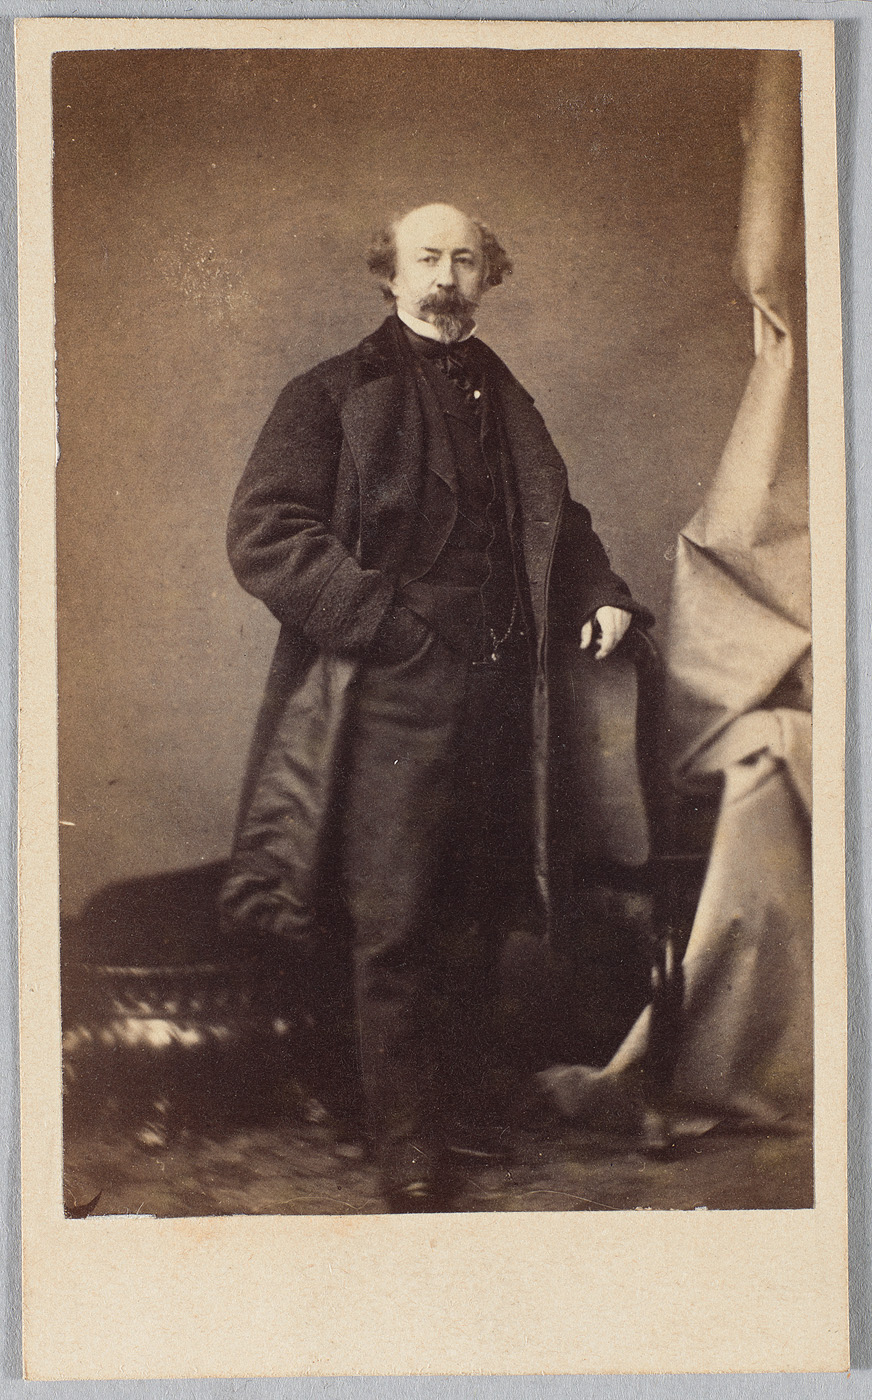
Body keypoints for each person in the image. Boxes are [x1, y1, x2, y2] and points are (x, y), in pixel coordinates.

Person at [221, 203, 651, 1211]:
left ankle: (453, 1107)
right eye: (427, 257)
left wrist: (599, 593)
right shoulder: (331, 392)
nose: (446, 276)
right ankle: (405, 1142)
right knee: (396, 914)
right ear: (390, 273)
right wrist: (384, 625)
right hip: (390, 693)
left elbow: (556, 521)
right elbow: (265, 531)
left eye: (465, 258)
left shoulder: (502, 391)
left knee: (476, 906)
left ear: (488, 275)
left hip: (501, 690)